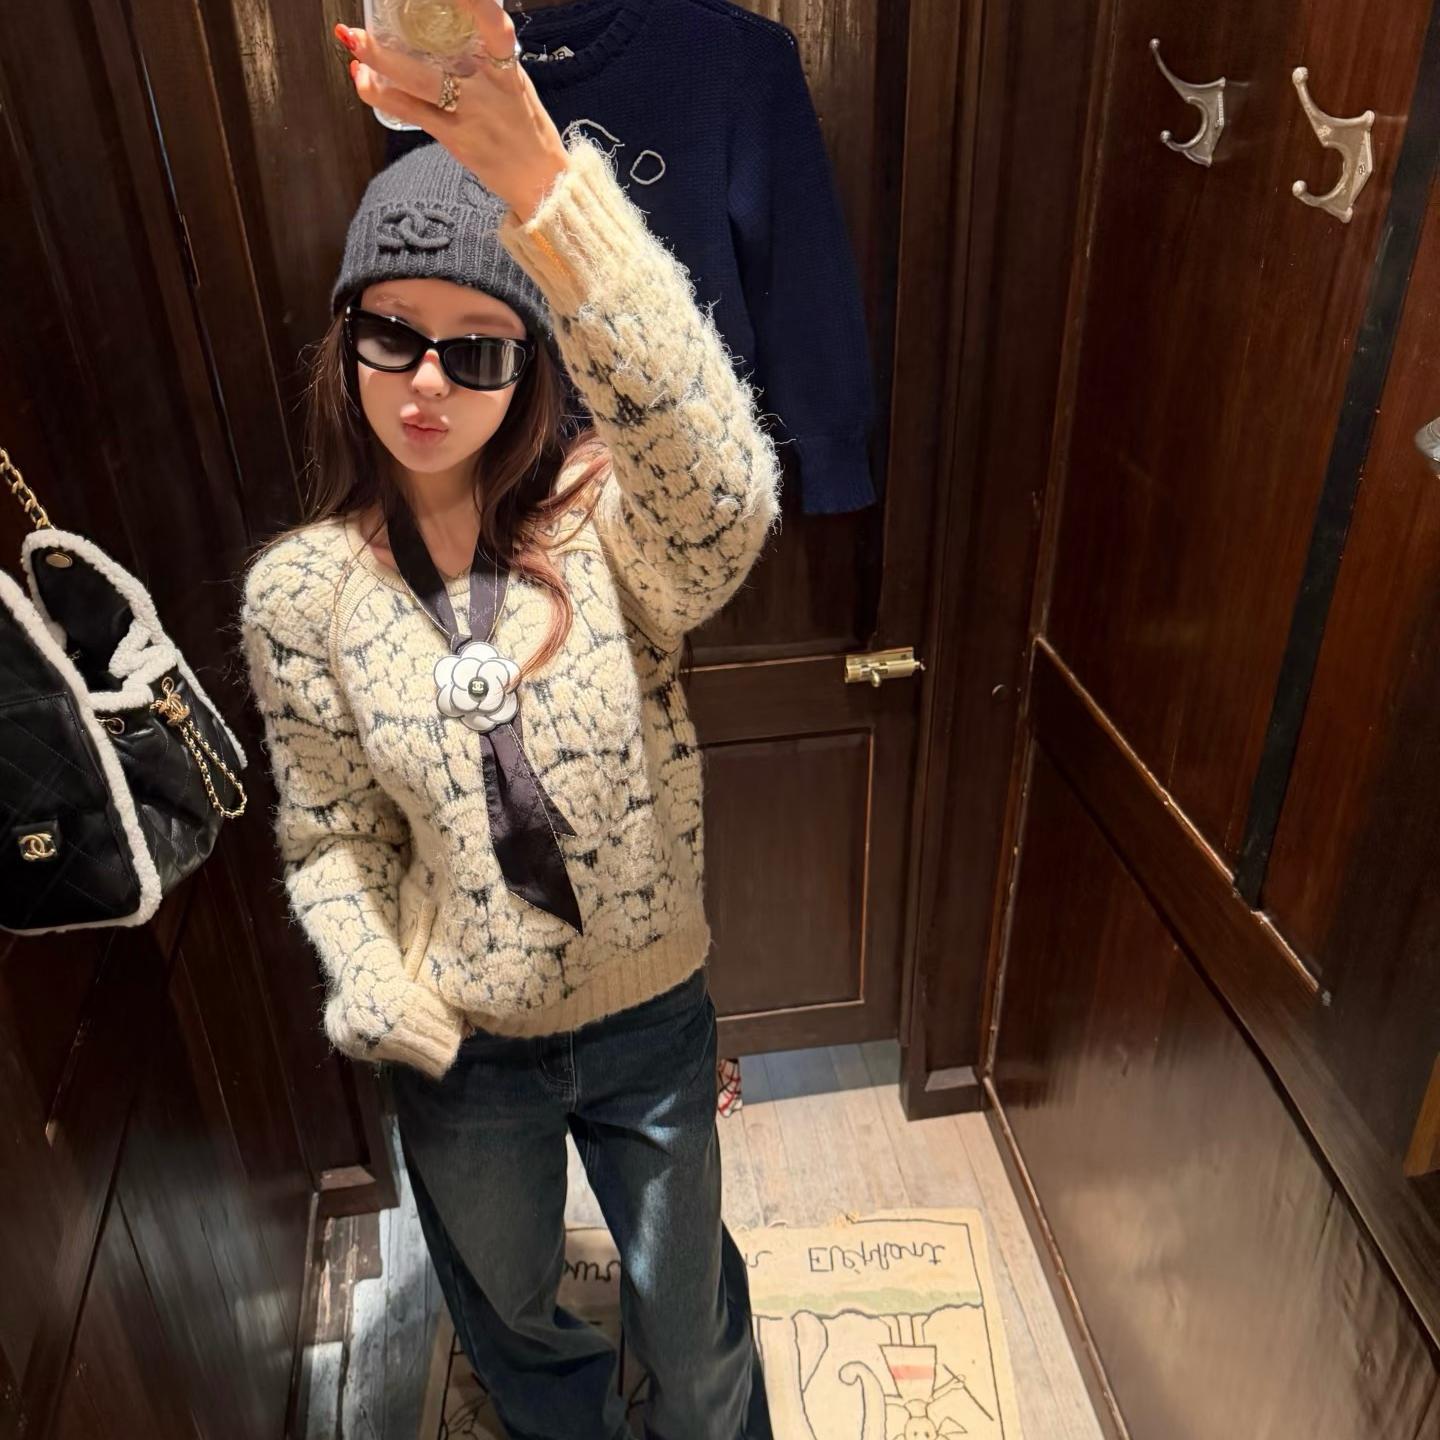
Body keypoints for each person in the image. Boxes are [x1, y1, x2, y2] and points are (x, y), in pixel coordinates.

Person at [237, 5, 780, 1437]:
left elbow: (729, 495)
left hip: (650, 1018)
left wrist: (550, 195)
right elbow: (330, 837)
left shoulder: (611, 526)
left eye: (478, 351)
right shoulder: (302, 594)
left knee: (692, 1335)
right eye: (393, 335)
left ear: (534, 364)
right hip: (465, 1054)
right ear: (344, 338)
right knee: (521, 1332)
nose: (428, 383)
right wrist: (371, 974)